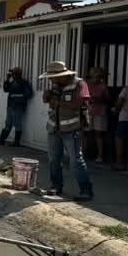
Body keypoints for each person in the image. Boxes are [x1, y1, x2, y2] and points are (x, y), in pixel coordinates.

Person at [40, 61, 94, 201]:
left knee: (75, 160)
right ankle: (56, 186)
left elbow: (77, 104)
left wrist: (57, 102)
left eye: (53, 77)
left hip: (72, 129)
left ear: (62, 75)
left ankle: (86, 190)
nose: (51, 80)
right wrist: (47, 95)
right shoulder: (56, 85)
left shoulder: (79, 84)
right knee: (53, 160)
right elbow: (46, 100)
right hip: (54, 128)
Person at [0, 67, 34, 147]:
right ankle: (2, 140)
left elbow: (29, 94)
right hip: (10, 106)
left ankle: (16, 142)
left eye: (14, 74)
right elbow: (6, 90)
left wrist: (17, 97)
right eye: (13, 74)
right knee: (8, 124)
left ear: (19, 74)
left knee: (17, 124)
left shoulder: (24, 83)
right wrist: (7, 79)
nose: (13, 75)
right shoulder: (12, 82)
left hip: (18, 106)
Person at [86, 68, 110, 163]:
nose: (98, 79)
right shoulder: (86, 85)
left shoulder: (103, 86)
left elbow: (108, 100)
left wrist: (100, 100)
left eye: (100, 77)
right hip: (88, 111)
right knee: (86, 134)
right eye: (96, 76)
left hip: (100, 112)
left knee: (98, 134)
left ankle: (100, 156)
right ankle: (82, 154)